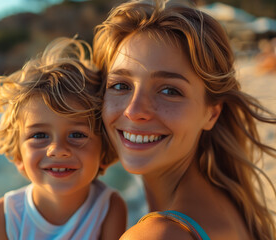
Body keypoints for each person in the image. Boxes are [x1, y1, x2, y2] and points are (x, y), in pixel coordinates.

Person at [93, 0, 276, 239]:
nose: (134, 110)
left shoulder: (157, 235)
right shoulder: (232, 206)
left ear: (212, 113)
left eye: (169, 91)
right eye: (120, 85)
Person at [0, 37, 127, 240]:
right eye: (39, 135)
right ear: (18, 155)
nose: (57, 149)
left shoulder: (109, 209)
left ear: (104, 149)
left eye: (77, 135)